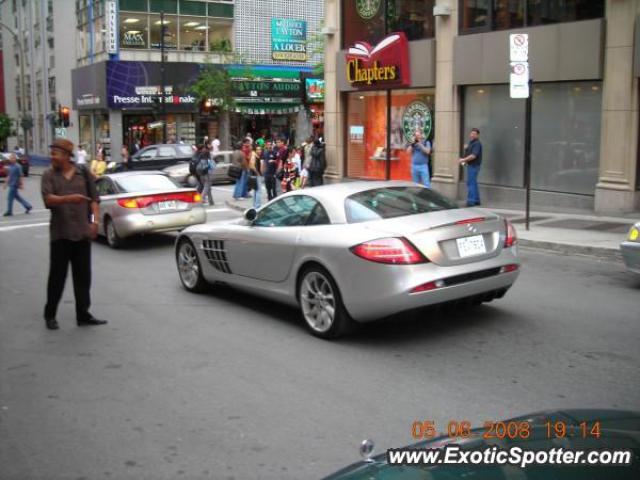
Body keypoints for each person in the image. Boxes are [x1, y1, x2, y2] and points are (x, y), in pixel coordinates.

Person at [41, 138, 106, 330]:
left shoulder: (83, 172)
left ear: (67, 156)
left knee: (83, 277)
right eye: (52, 153)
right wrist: (70, 198)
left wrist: (94, 223)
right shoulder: (48, 175)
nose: (52, 156)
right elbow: (48, 200)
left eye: (56, 153)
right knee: (57, 278)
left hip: (82, 233)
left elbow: (94, 200)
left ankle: (83, 315)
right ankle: (50, 315)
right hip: (60, 234)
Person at [459, 127, 483, 206]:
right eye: (471, 133)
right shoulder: (471, 143)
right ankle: (476, 200)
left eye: (474, 134)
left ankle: (471, 201)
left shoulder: (477, 144)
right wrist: (466, 148)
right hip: (471, 165)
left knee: (471, 183)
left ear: (478, 135)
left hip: (474, 166)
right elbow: (469, 152)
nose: (472, 135)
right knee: (473, 183)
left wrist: (463, 160)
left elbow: (473, 156)